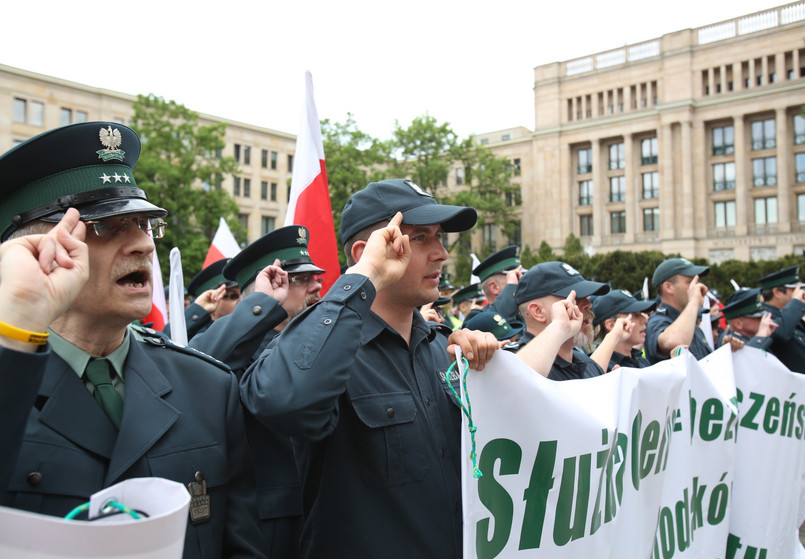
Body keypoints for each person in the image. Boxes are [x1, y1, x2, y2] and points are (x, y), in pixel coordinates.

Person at [0, 122, 266, 558]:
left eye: (143, 224)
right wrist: (18, 318)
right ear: (35, 248)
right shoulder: (9, 370)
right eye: (107, 226)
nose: (143, 243)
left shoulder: (208, 387)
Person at [240, 178, 499, 558]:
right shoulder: (323, 352)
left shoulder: (445, 350)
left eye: (439, 237)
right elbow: (283, 399)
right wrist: (363, 278)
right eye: (421, 238)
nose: (442, 253)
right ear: (367, 252)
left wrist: (485, 369)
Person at [189, 225, 324, 558]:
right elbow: (197, 364)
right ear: (266, 286)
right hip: (268, 524)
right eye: (299, 279)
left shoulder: (318, 343)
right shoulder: (236, 345)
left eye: (313, 277)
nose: (314, 286)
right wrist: (261, 306)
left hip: (325, 513)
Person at [507, 261, 610, 379]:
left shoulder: (590, 366)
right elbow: (518, 381)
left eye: (586, 297)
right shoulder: (510, 359)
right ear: (538, 312)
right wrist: (559, 325)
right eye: (574, 298)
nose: (588, 304)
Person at [645, 257, 714, 363]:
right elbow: (673, 342)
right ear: (668, 287)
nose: (696, 287)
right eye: (690, 282)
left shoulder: (691, 324)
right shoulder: (657, 320)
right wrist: (694, 302)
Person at [164, 258, 241, 338]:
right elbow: (167, 338)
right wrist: (199, 310)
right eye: (233, 296)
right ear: (210, 302)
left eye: (242, 294)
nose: (241, 300)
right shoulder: (199, 337)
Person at [590, 289, 656, 371]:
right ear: (611, 325)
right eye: (634, 314)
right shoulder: (602, 366)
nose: (644, 320)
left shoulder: (640, 360)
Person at [758, 265, 805, 373]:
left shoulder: (789, 314)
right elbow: (781, 332)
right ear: (777, 292)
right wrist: (796, 303)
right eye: (794, 290)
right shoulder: (764, 316)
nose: (800, 293)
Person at [466, 244, 522, 322]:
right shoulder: (475, 318)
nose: (521, 283)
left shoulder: (522, 316)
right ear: (494, 287)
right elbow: (494, 320)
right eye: (516, 277)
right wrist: (511, 286)